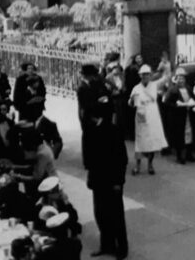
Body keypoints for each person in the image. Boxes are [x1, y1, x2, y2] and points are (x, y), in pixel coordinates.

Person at [85, 85, 129, 260]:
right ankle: (106, 244)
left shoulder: (113, 131)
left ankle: (121, 247)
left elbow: (121, 159)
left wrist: (118, 181)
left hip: (112, 181)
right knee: (101, 214)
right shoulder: (92, 131)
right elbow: (90, 158)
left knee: (116, 215)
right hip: (98, 180)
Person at [128, 63, 169, 175]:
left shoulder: (155, 85)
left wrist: (165, 66)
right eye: (143, 75)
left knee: (151, 141)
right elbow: (132, 104)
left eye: (147, 74)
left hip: (153, 115)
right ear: (140, 76)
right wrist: (132, 100)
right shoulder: (136, 88)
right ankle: (137, 166)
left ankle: (150, 165)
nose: (145, 77)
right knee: (140, 142)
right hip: (141, 115)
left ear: (150, 75)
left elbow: (166, 78)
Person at [164, 68, 195, 164]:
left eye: (183, 78)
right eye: (179, 78)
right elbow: (166, 102)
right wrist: (176, 105)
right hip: (178, 117)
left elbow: (194, 98)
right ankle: (179, 156)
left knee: (189, 134)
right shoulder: (172, 90)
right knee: (179, 136)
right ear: (176, 79)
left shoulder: (188, 88)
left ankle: (189, 154)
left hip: (188, 115)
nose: (181, 80)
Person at [123, 54, 144, 139]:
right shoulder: (133, 69)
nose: (140, 59)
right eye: (137, 58)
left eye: (140, 57)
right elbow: (132, 83)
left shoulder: (139, 68)